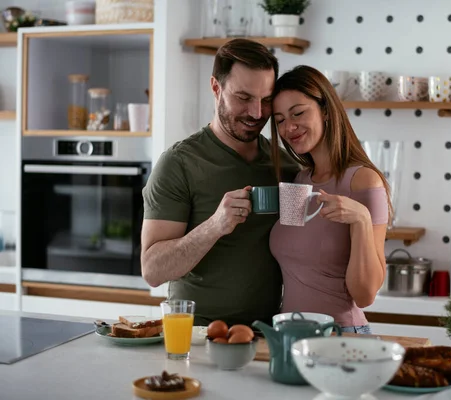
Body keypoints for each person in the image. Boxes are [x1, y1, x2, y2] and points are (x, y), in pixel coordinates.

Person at [141, 39, 299, 327]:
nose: (256, 113)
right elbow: (152, 270)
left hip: (266, 333)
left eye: (265, 100)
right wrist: (214, 226)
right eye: (243, 97)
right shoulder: (179, 163)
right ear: (216, 88)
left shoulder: (286, 166)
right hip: (194, 334)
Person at [268, 65, 391, 334]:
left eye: (298, 113)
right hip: (288, 334)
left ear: (325, 110)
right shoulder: (299, 181)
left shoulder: (363, 181)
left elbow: (365, 295)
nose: (289, 127)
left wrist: (361, 219)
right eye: (279, 120)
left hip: (340, 335)